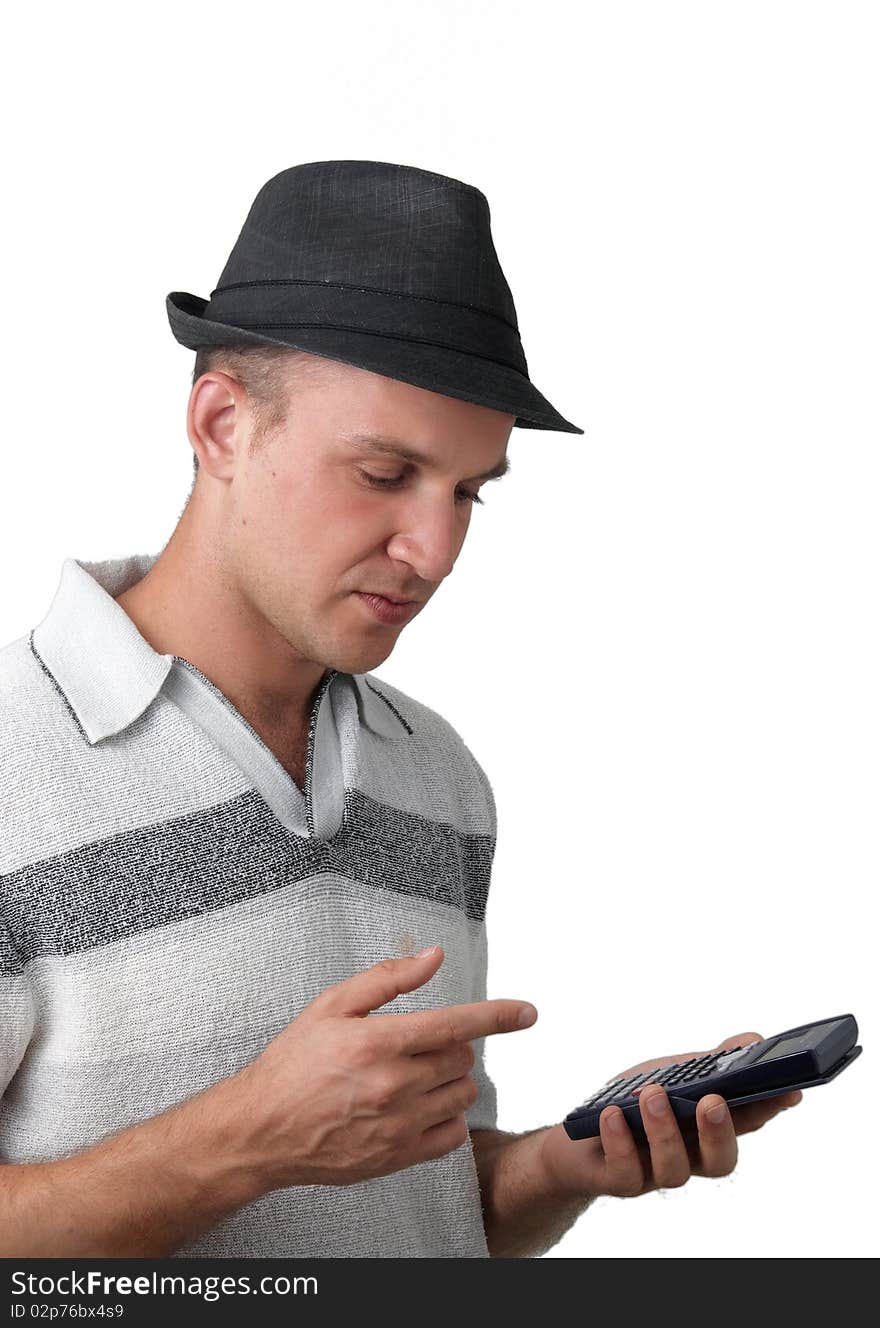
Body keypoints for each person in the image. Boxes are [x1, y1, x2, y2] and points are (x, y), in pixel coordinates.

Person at [0, 161, 801, 1259]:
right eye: (384, 473)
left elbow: (416, 1204)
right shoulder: (11, 763)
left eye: (468, 490)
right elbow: (277, 1150)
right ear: (223, 423)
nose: (434, 549)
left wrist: (554, 1167)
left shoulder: (436, 775)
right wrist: (242, 1139)